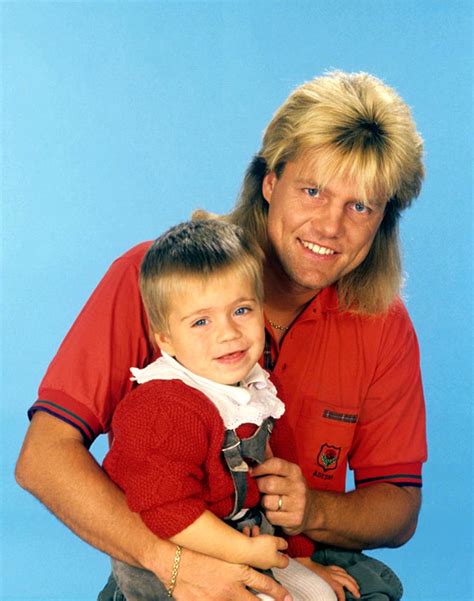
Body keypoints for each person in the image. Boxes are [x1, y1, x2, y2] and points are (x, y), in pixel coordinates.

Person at [16, 70, 427, 601]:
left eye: (360, 206)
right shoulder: (156, 277)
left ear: (383, 220)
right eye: (312, 190)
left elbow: (398, 507)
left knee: (368, 588)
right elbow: (43, 458)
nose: (330, 226)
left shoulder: (383, 325)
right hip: (167, 548)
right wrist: (173, 564)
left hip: (296, 549)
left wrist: (317, 511)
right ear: (270, 182)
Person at [104, 219, 350, 601]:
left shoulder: (258, 389)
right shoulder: (162, 407)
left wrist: (299, 556)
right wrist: (244, 553)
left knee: (319, 594)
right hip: (172, 557)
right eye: (201, 321)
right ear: (166, 339)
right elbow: (166, 511)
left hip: (241, 538)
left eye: (241, 310)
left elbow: (278, 482)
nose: (228, 333)